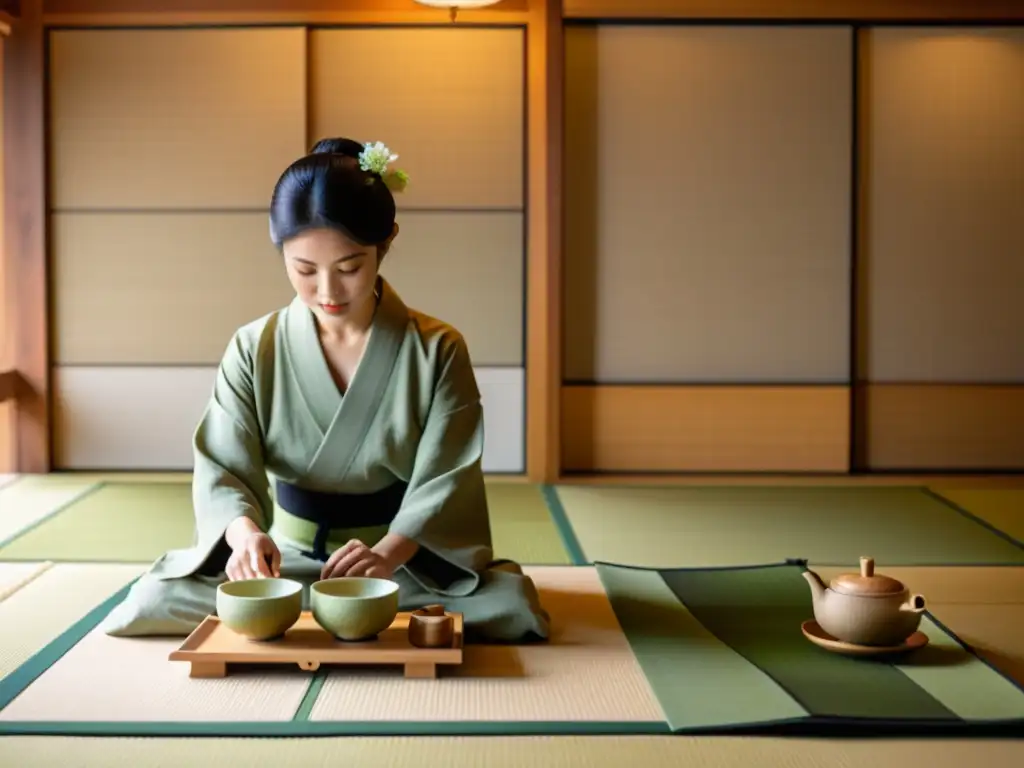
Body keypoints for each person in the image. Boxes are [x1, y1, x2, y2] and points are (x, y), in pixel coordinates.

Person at [100, 137, 550, 644]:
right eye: (304, 270)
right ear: (281, 253)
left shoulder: (437, 349)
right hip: (285, 563)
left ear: (386, 241)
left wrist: (387, 554)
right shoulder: (254, 347)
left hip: (397, 565)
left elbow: (448, 480)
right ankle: (316, 605)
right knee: (153, 601)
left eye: (350, 267)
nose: (328, 292)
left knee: (510, 606)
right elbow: (222, 467)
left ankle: (335, 606)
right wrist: (245, 537)